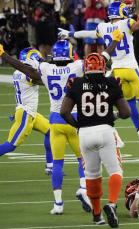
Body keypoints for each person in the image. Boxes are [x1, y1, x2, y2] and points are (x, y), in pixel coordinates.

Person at [0, 31, 121, 214]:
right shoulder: (77, 67)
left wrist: (4, 56)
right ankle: (83, 190)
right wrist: (115, 41)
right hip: (73, 119)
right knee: (83, 159)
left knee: (57, 163)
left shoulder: (47, 69)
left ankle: (58, 204)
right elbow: (101, 58)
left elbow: (27, 70)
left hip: (55, 120)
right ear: (71, 53)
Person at [58, 1, 139, 144]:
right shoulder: (126, 23)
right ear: (120, 12)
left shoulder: (102, 26)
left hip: (116, 71)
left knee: (129, 101)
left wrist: (70, 33)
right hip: (131, 69)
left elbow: (90, 34)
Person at [60, 52, 131, 227]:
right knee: (115, 171)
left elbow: (64, 112)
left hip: (84, 134)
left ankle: (97, 215)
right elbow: (126, 113)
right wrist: (112, 116)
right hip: (105, 131)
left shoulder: (76, 83)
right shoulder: (112, 82)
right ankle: (112, 204)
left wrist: (78, 125)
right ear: (103, 67)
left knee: (92, 175)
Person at [0, 47, 53, 175]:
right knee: (11, 145)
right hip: (26, 114)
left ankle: (50, 167)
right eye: (38, 59)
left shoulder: (19, 72)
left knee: (51, 132)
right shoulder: (27, 74)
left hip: (30, 113)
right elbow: (42, 80)